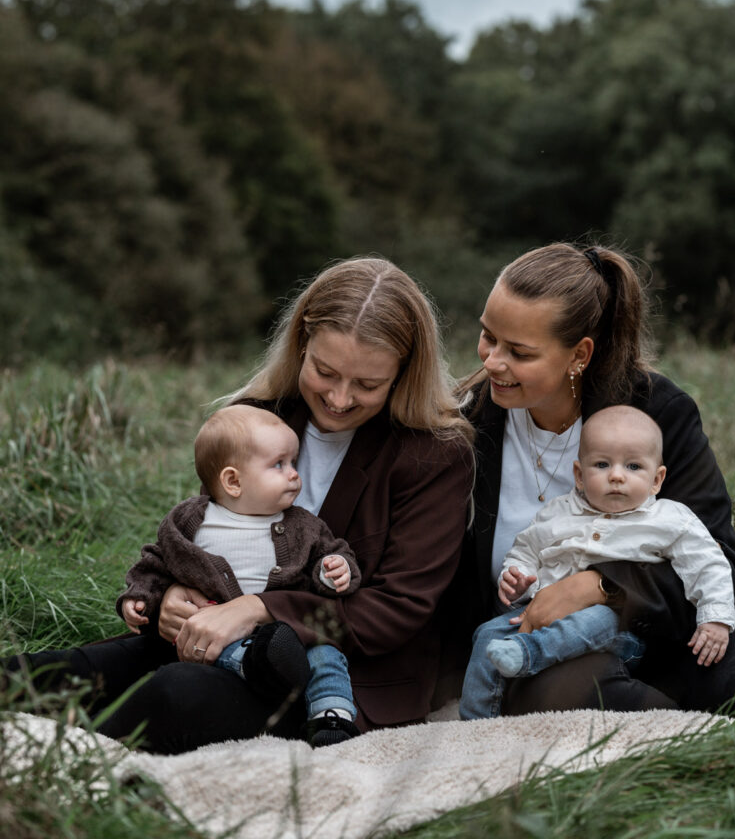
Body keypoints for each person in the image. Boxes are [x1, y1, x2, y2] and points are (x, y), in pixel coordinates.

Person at [7, 257, 474, 752]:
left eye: (367, 384)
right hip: (215, 637)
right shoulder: (260, 418)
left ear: (404, 372)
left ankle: (65, 760)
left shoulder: (435, 454)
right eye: (325, 371)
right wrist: (171, 596)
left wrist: (259, 610)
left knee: (177, 693)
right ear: (301, 344)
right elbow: (208, 533)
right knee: (66, 669)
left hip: (336, 673)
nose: (339, 398)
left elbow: (396, 610)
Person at [451, 241, 735, 717]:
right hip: (544, 647)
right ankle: (682, 741)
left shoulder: (657, 412)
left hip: (669, 627)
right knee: (581, 695)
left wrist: (601, 586)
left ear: (579, 355)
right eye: (488, 337)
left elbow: (717, 555)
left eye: (518, 351)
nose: (492, 362)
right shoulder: (466, 426)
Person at [459, 405, 735, 719]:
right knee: (486, 634)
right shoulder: (557, 512)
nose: (616, 476)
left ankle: (527, 654)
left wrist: (715, 619)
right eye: (602, 464)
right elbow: (526, 549)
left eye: (633, 467)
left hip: (617, 625)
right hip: (540, 614)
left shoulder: (670, 520)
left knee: (593, 620)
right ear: (579, 475)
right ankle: (475, 719)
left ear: (657, 480)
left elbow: (709, 564)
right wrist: (519, 575)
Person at [119, 404, 363, 747]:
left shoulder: (304, 526)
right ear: (233, 481)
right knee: (215, 648)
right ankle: (252, 662)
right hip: (219, 640)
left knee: (326, 656)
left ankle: (331, 717)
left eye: (293, 463)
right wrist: (139, 596)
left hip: (291, 636)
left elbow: (333, 554)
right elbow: (157, 562)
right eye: (279, 465)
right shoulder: (192, 521)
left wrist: (335, 570)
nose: (294, 474)